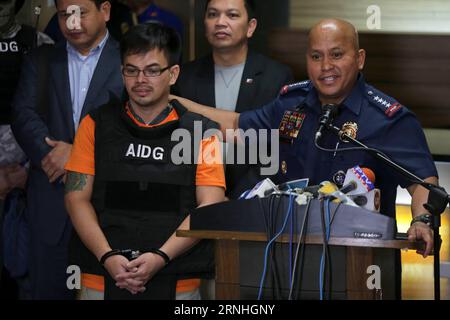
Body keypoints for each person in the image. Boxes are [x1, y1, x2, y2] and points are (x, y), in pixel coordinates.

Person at [173, 18, 438, 298]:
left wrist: (421, 220)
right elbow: (236, 125)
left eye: (337, 55)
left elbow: (422, 181)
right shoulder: (291, 104)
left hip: (359, 265)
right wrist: (172, 102)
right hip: (284, 261)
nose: (326, 67)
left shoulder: (388, 119)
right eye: (316, 56)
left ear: (359, 59)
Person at [64, 22, 225, 300]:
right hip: (102, 275)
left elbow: (210, 204)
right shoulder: (94, 124)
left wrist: (160, 257)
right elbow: (76, 198)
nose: (140, 80)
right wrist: (108, 257)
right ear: (122, 72)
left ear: (173, 74)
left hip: (178, 278)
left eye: (152, 70)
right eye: (131, 70)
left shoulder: (202, 132)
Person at [11, 0, 123, 299]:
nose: (72, 23)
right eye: (64, 15)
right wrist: (50, 154)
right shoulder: (42, 59)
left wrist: (77, 155)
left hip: (108, 207)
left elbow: (136, 126)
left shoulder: (128, 60)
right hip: (50, 200)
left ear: (106, 11)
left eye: (81, 13)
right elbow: (23, 115)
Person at [173, 0, 293, 199]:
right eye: (213, 14)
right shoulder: (185, 77)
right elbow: (180, 146)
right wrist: (210, 194)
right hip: (195, 196)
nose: (220, 22)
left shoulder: (276, 77)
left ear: (250, 27)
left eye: (232, 15)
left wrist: (240, 196)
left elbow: (278, 148)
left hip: (253, 198)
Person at [0, 0, 53, 295]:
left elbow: (55, 116)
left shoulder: (38, 43)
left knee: (28, 274)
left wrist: (26, 172)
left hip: (29, 179)